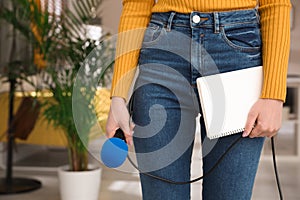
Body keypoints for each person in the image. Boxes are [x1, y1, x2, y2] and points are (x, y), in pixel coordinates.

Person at [106, 0, 291, 199]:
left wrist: (273, 95)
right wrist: (118, 96)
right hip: (163, 52)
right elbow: (137, 4)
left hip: (236, 55)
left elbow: (276, 3)